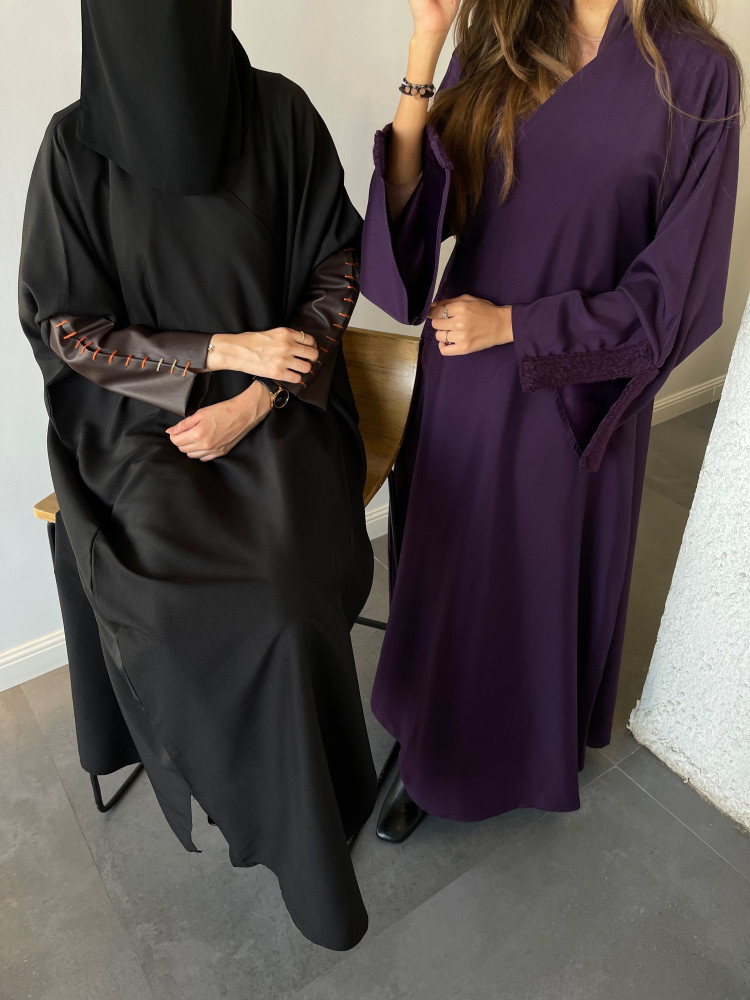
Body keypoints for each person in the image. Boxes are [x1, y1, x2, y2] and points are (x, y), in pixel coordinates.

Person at [19, 0, 376, 950]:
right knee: (170, 588)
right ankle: (231, 778)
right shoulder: (72, 149)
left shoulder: (280, 114)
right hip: (140, 418)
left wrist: (257, 394)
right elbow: (68, 328)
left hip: (285, 405)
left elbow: (337, 268)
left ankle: (305, 828)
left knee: (284, 599)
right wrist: (215, 351)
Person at [361, 0, 741, 842]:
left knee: (530, 580)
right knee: (449, 572)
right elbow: (419, 219)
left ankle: (508, 755)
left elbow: (678, 293)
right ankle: (427, 752)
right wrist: (426, 42)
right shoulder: (502, 37)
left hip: (578, 388)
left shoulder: (699, 73)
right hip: (463, 373)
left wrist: (518, 327)